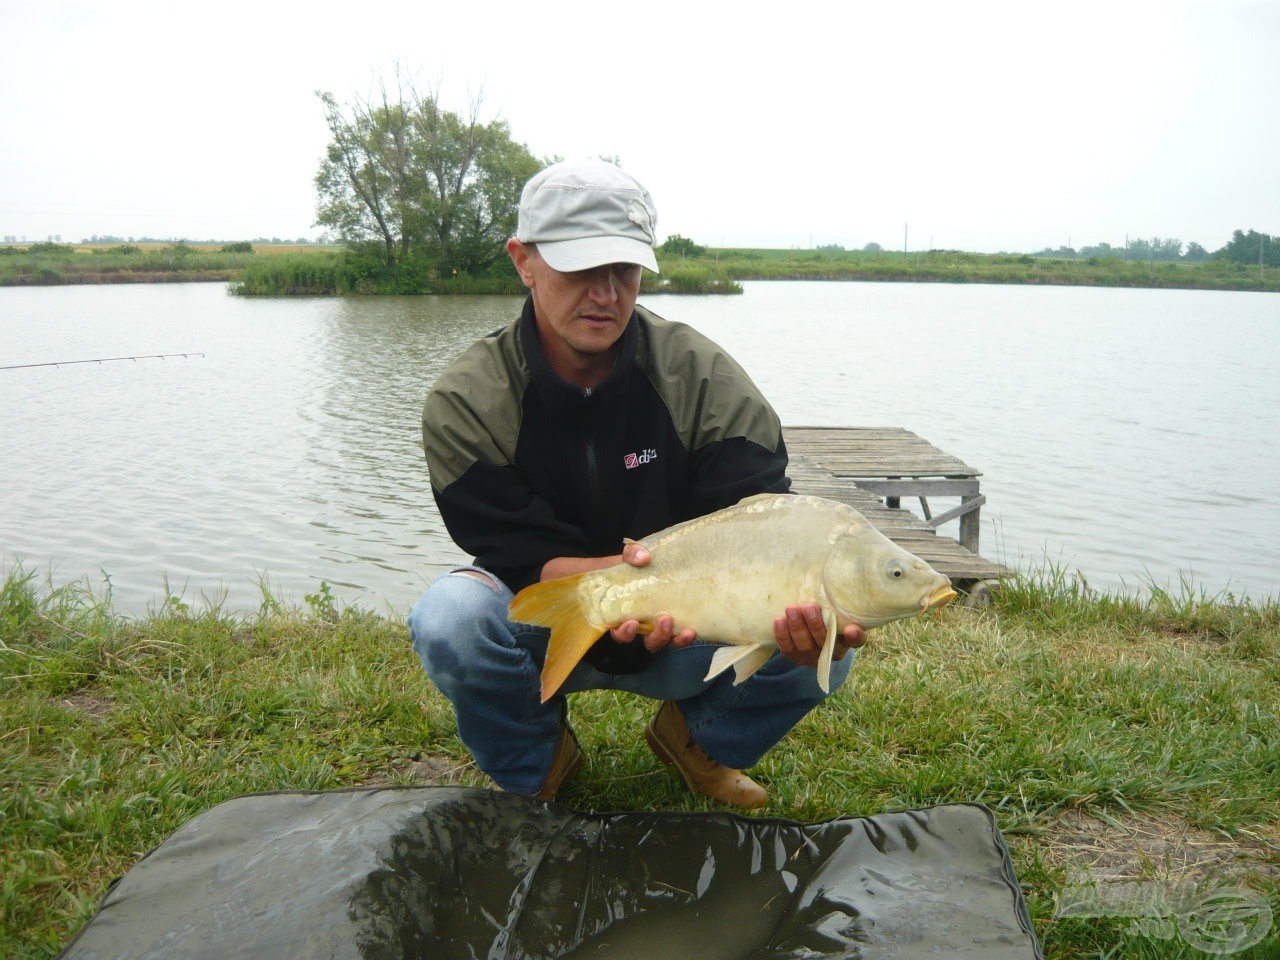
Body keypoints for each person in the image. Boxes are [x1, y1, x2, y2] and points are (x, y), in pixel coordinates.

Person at [408, 159, 865, 809]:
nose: (606, 294)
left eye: (623, 269)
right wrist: (619, 590)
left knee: (826, 637)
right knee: (450, 619)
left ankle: (697, 744)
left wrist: (691, 598)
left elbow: (760, 524)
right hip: (544, 614)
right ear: (523, 261)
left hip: (686, 619)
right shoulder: (468, 398)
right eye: (581, 269)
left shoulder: (704, 377)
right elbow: (509, 546)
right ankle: (538, 763)